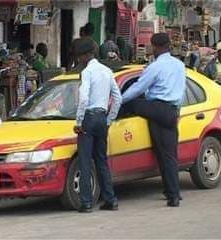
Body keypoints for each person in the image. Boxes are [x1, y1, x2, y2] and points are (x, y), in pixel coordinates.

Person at [122, 33, 186, 207]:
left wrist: (119, 99)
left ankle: (172, 194)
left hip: (158, 109)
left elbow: (138, 88)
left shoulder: (155, 67)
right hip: (172, 111)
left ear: (155, 47)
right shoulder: (180, 65)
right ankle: (173, 193)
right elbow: (181, 91)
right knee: (168, 155)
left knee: (132, 103)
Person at [74, 38, 122, 213]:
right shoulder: (107, 71)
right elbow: (118, 98)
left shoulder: (87, 72)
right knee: (102, 160)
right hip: (102, 118)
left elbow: (84, 98)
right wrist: (109, 120)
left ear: (86, 55)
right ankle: (110, 199)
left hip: (89, 117)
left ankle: (86, 202)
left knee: (85, 161)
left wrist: (79, 121)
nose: (79, 60)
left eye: (80, 56)